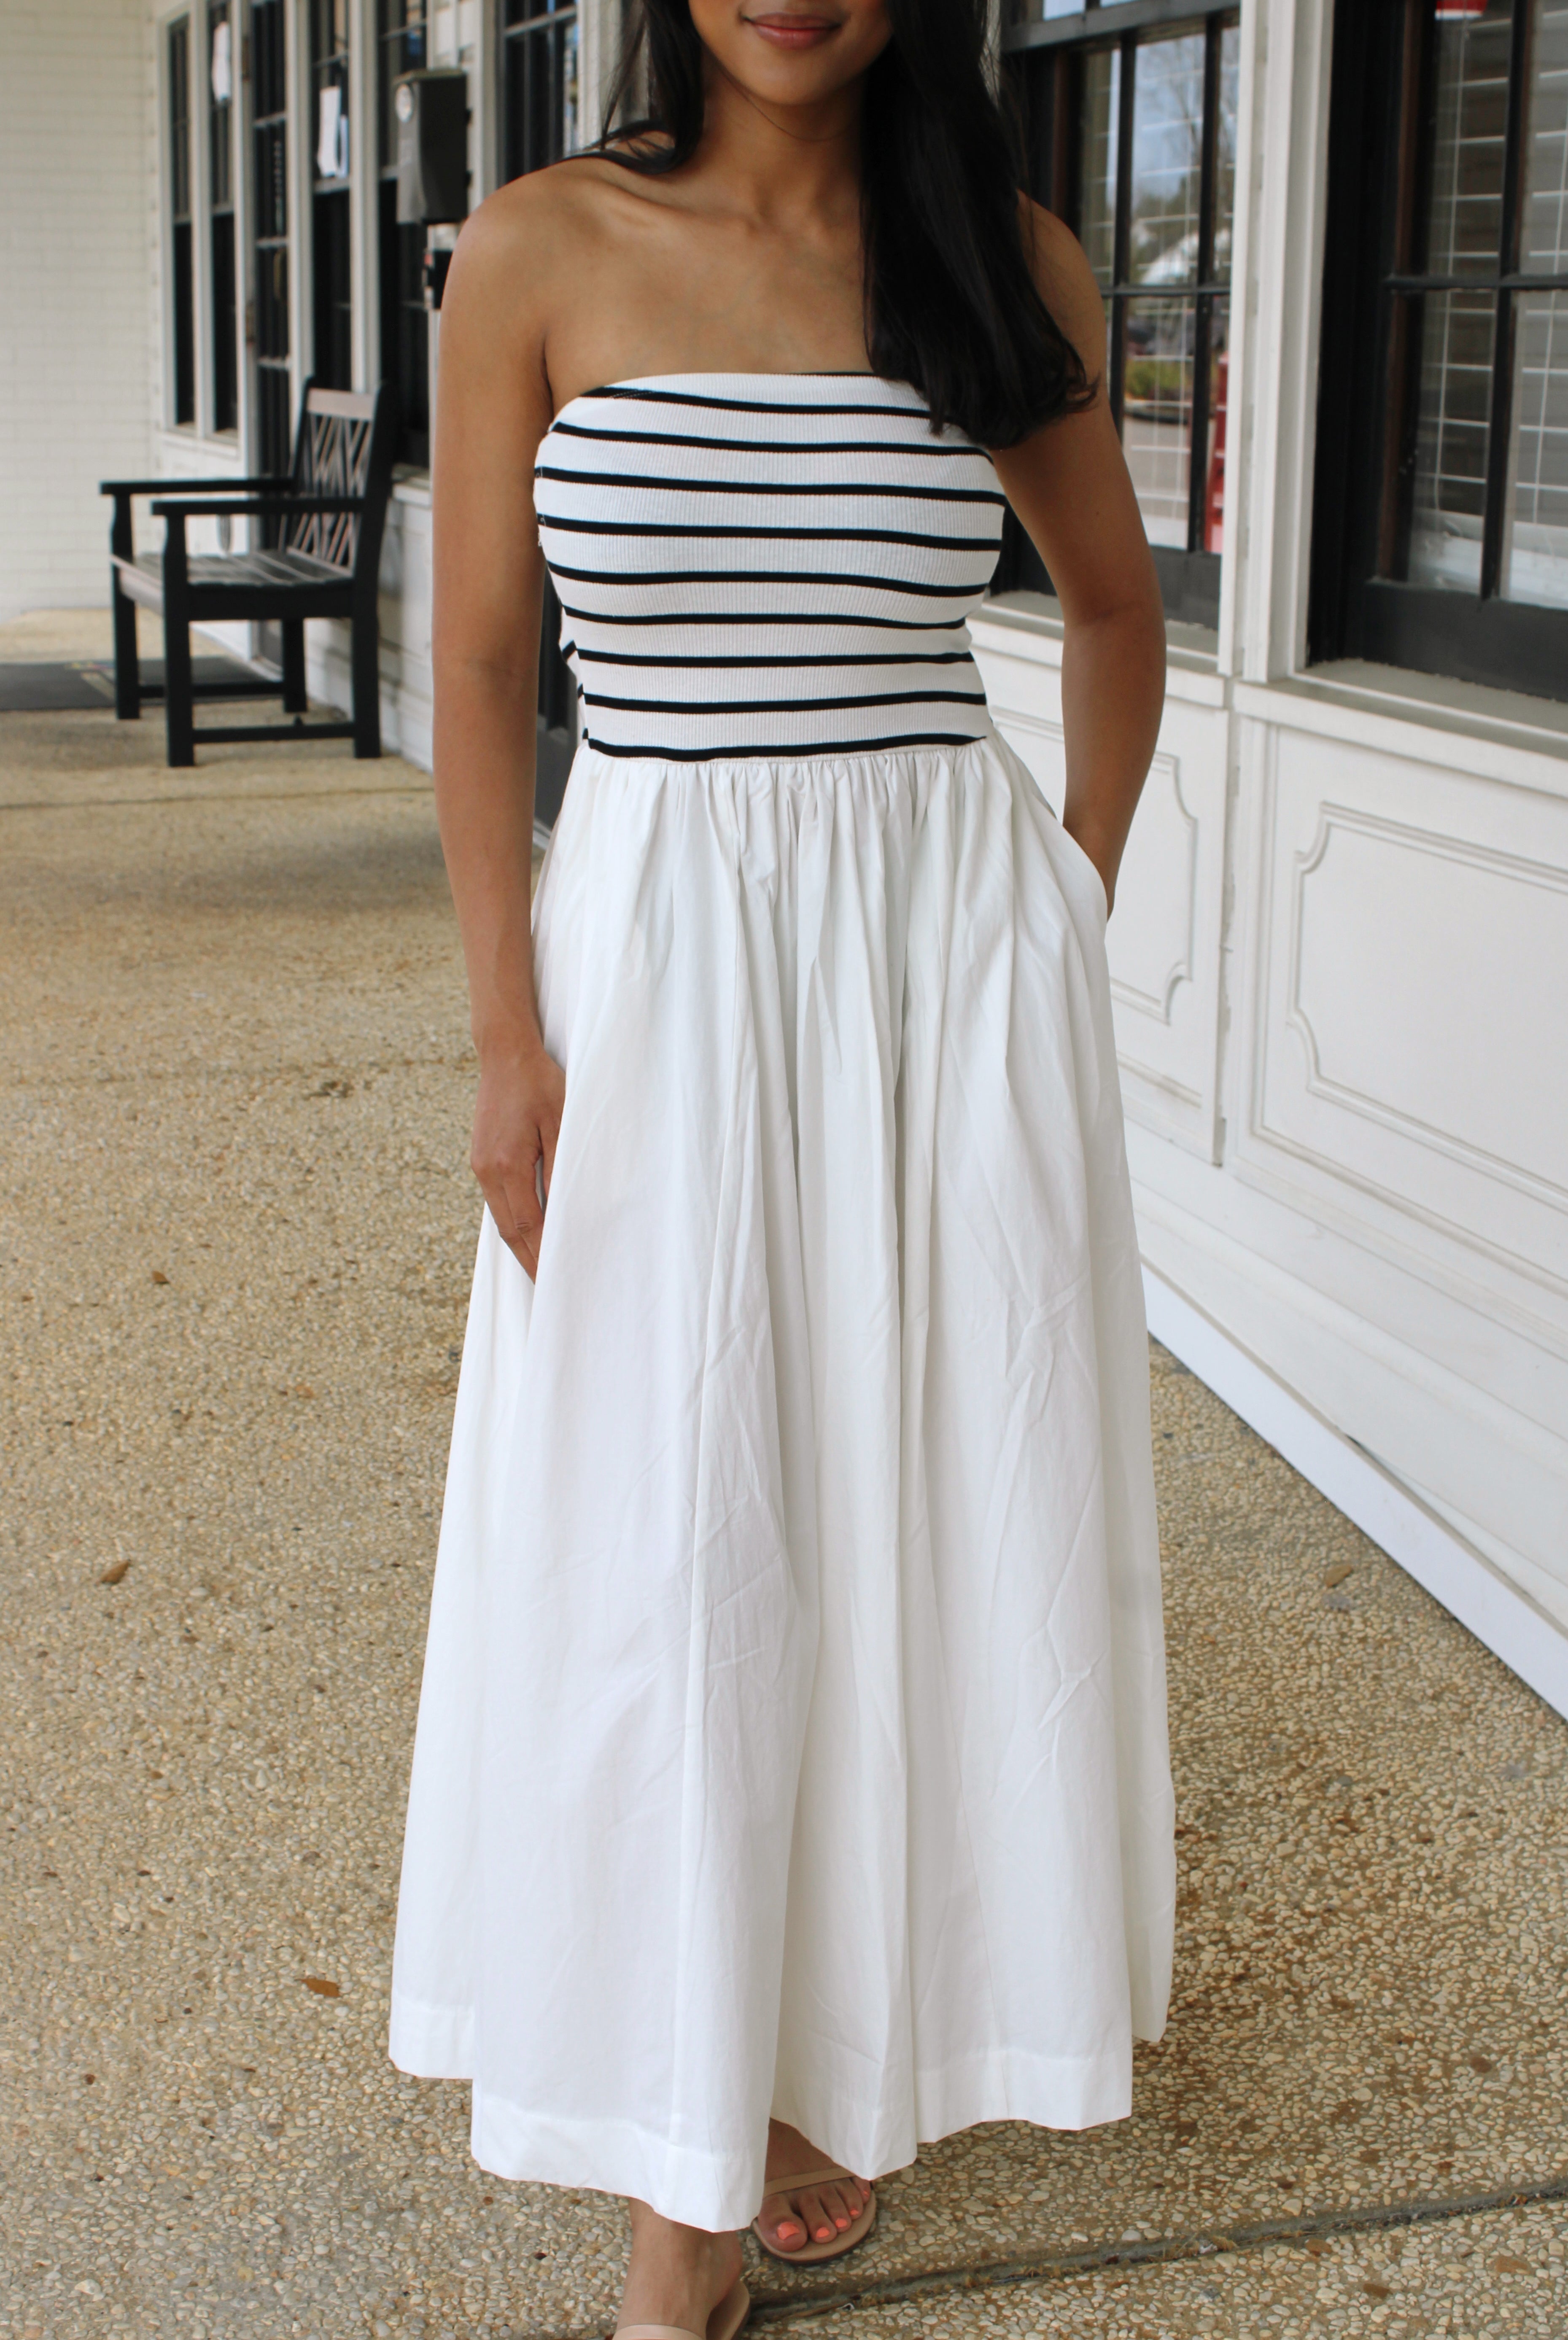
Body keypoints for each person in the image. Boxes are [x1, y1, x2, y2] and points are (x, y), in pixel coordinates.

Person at [388, 3, 1175, 2335]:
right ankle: (681, 2176)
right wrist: (507, 1035)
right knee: (677, 1537)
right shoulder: (542, 246)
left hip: (938, 969)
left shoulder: (999, 251)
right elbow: (480, 667)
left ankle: (825, 2063)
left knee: (909, 1505)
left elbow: (1114, 608)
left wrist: (1060, 917)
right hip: (656, 960)